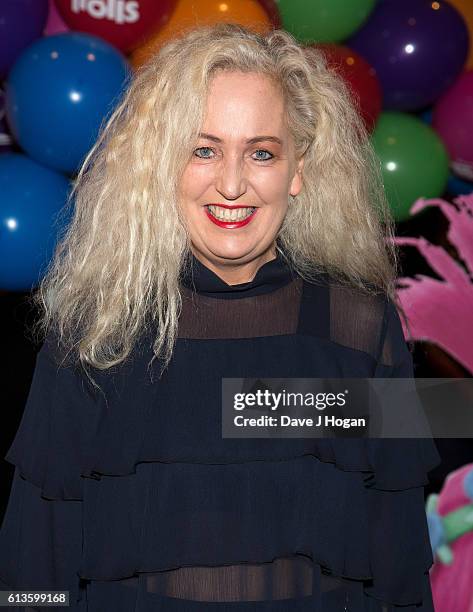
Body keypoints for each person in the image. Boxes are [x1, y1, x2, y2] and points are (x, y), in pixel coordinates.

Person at [0, 23, 441, 611]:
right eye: (203, 149)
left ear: (299, 170)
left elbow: (401, 570)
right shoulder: (95, 335)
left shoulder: (361, 330)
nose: (231, 184)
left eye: (261, 153)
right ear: (163, 163)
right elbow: (34, 572)